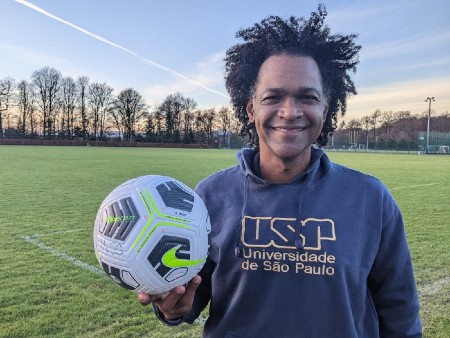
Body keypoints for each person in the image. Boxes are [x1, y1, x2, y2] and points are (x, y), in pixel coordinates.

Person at [139, 5, 422, 337]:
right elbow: (189, 294)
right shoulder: (209, 197)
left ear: (324, 109)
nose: (290, 112)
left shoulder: (371, 199)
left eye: (307, 97)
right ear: (251, 109)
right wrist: (172, 306)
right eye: (273, 97)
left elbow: (399, 309)